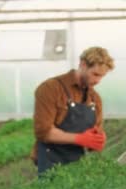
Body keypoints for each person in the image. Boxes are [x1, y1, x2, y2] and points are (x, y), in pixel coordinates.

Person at [31, 46, 114, 175]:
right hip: (51, 163)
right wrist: (79, 139)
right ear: (83, 64)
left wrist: (98, 139)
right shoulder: (51, 89)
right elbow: (43, 131)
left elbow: (95, 132)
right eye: (95, 74)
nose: (98, 81)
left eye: (102, 76)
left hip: (79, 164)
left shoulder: (95, 99)